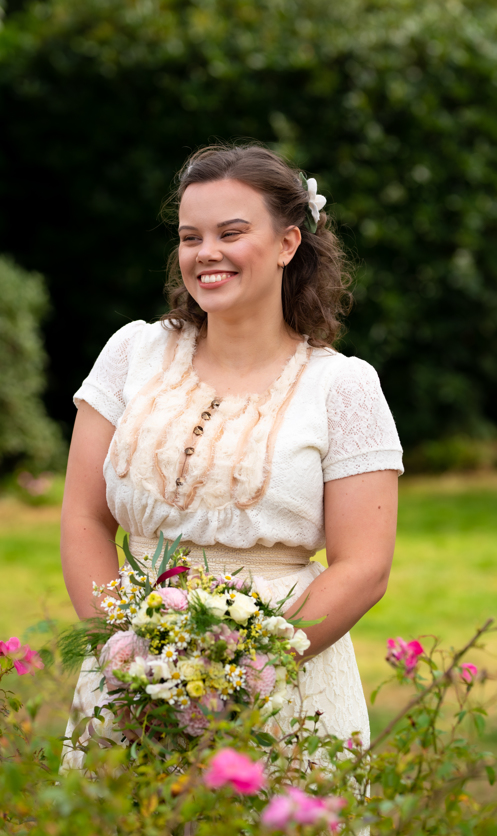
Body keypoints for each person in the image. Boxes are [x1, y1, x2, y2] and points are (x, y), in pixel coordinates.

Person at [60, 144, 402, 769]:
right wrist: (125, 656)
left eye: (231, 233)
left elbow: (364, 567)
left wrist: (240, 672)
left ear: (288, 244)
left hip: (279, 691)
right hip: (126, 687)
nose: (205, 253)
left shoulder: (343, 388)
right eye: (190, 237)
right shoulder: (132, 354)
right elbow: (84, 517)